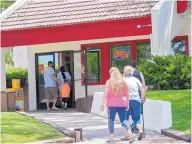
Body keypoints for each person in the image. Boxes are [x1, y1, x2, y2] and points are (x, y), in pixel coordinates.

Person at [100, 67, 136, 143]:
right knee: (124, 120)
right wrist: (127, 104)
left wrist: (102, 105)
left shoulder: (109, 82)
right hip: (122, 103)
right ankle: (130, 132)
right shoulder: (123, 81)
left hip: (111, 104)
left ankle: (112, 138)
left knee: (111, 120)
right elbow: (127, 95)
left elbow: (105, 94)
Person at [123, 66, 146, 140]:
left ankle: (128, 135)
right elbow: (142, 89)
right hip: (136, 100)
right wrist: (142, 97)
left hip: (127, 101)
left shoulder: (123, 80)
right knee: (136, 117)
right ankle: (140, 131)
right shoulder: (136, 79)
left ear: (125, 72)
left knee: (125, 118)